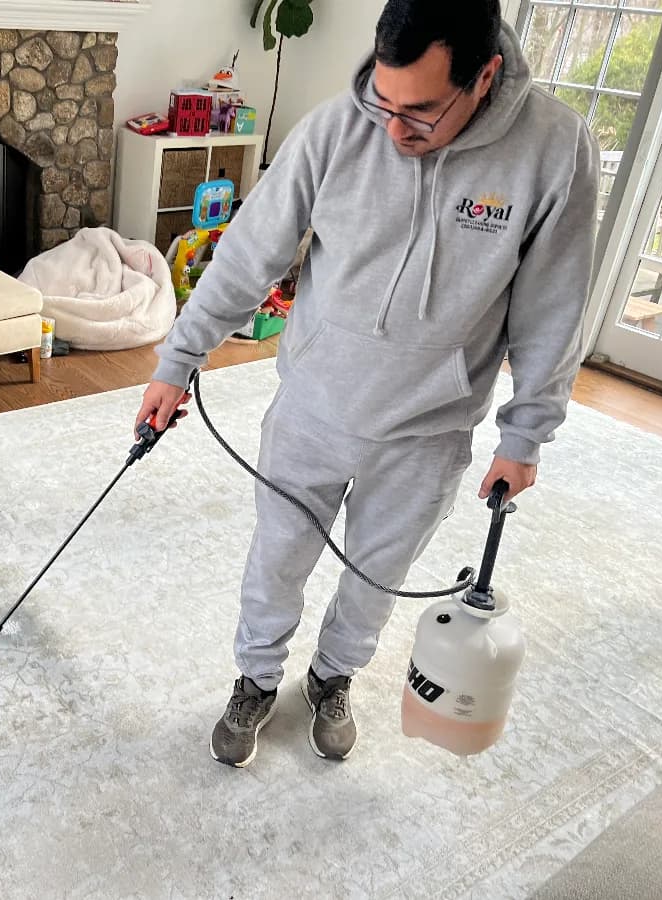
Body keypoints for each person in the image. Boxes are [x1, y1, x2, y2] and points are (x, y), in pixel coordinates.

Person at [135, 0, 599, 767]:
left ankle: (332, 676)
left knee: (377, 577)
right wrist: (178, 361)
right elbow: (249, 257)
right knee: (276, 562)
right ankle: (255, 678)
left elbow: (555, 307)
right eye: (384, 102)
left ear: (484, 77)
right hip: (314, 408)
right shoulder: (333, 130)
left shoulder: (554, 151)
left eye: (419, 111)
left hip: (429, 429)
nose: (393, 130)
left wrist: (526, 438)